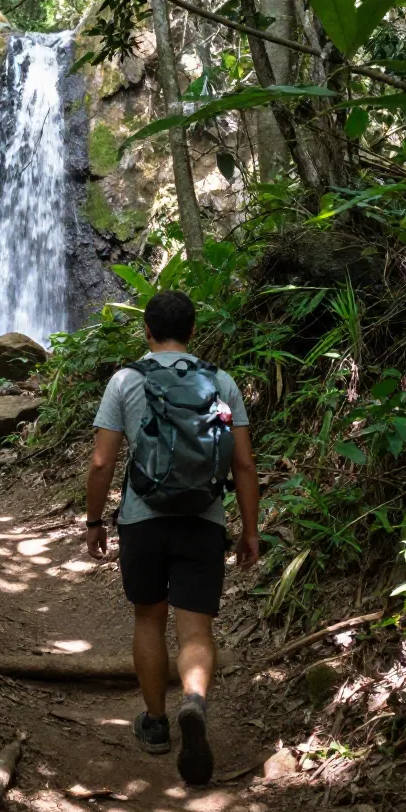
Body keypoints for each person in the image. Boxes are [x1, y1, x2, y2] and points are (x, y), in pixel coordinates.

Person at [85, 289, 261, 786]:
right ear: (194, 331)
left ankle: (157, 725)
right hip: (203, 520)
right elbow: (244, 463)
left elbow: (102, 462)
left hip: (142, 518)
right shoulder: (221, 381)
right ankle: (195, 704)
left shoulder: (125, 380)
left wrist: (93, 521)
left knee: (148, 617)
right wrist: (250, 529)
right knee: (196, 629)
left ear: (146, 330)